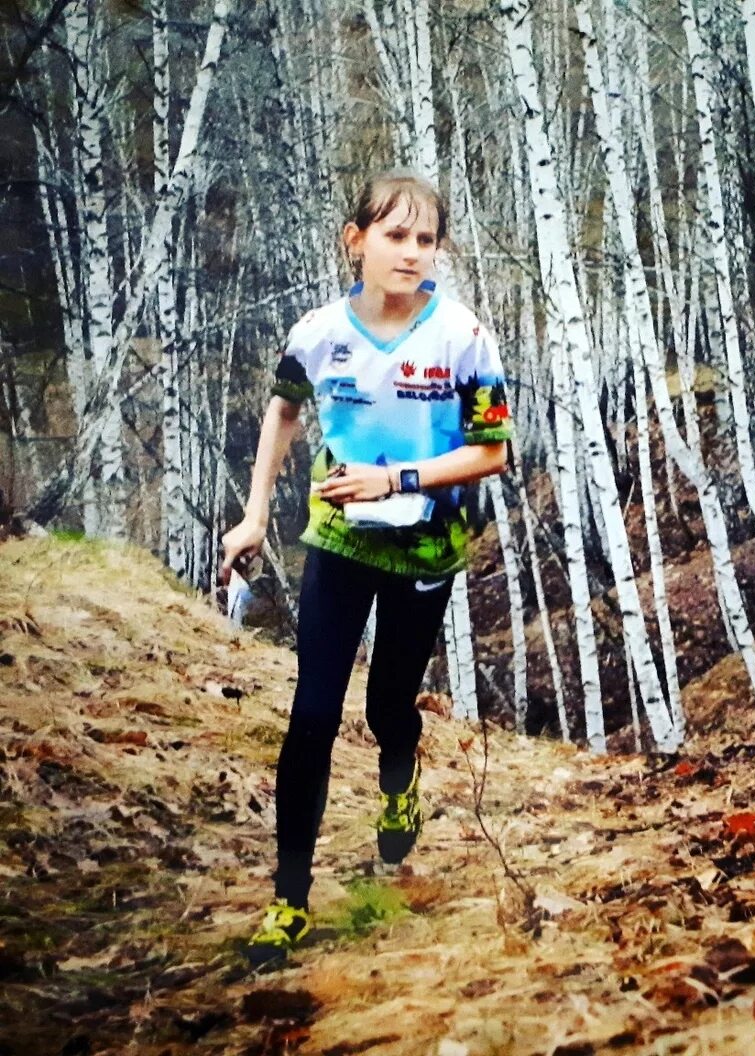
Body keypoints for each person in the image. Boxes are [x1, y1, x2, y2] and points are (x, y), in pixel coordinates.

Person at [220, 169, 512, 966]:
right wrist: (253, 514)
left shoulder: (462, 337)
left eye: (425, 240)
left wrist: (399, 478)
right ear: (357, 241)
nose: (413, 253)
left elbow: (494, 451)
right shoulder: (318, 332)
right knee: (312, 713)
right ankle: (288, 902)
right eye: (395, 236)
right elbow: (284, 408)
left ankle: (398, 779)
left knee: (388, 707)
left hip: (424, 547)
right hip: (340, 542)